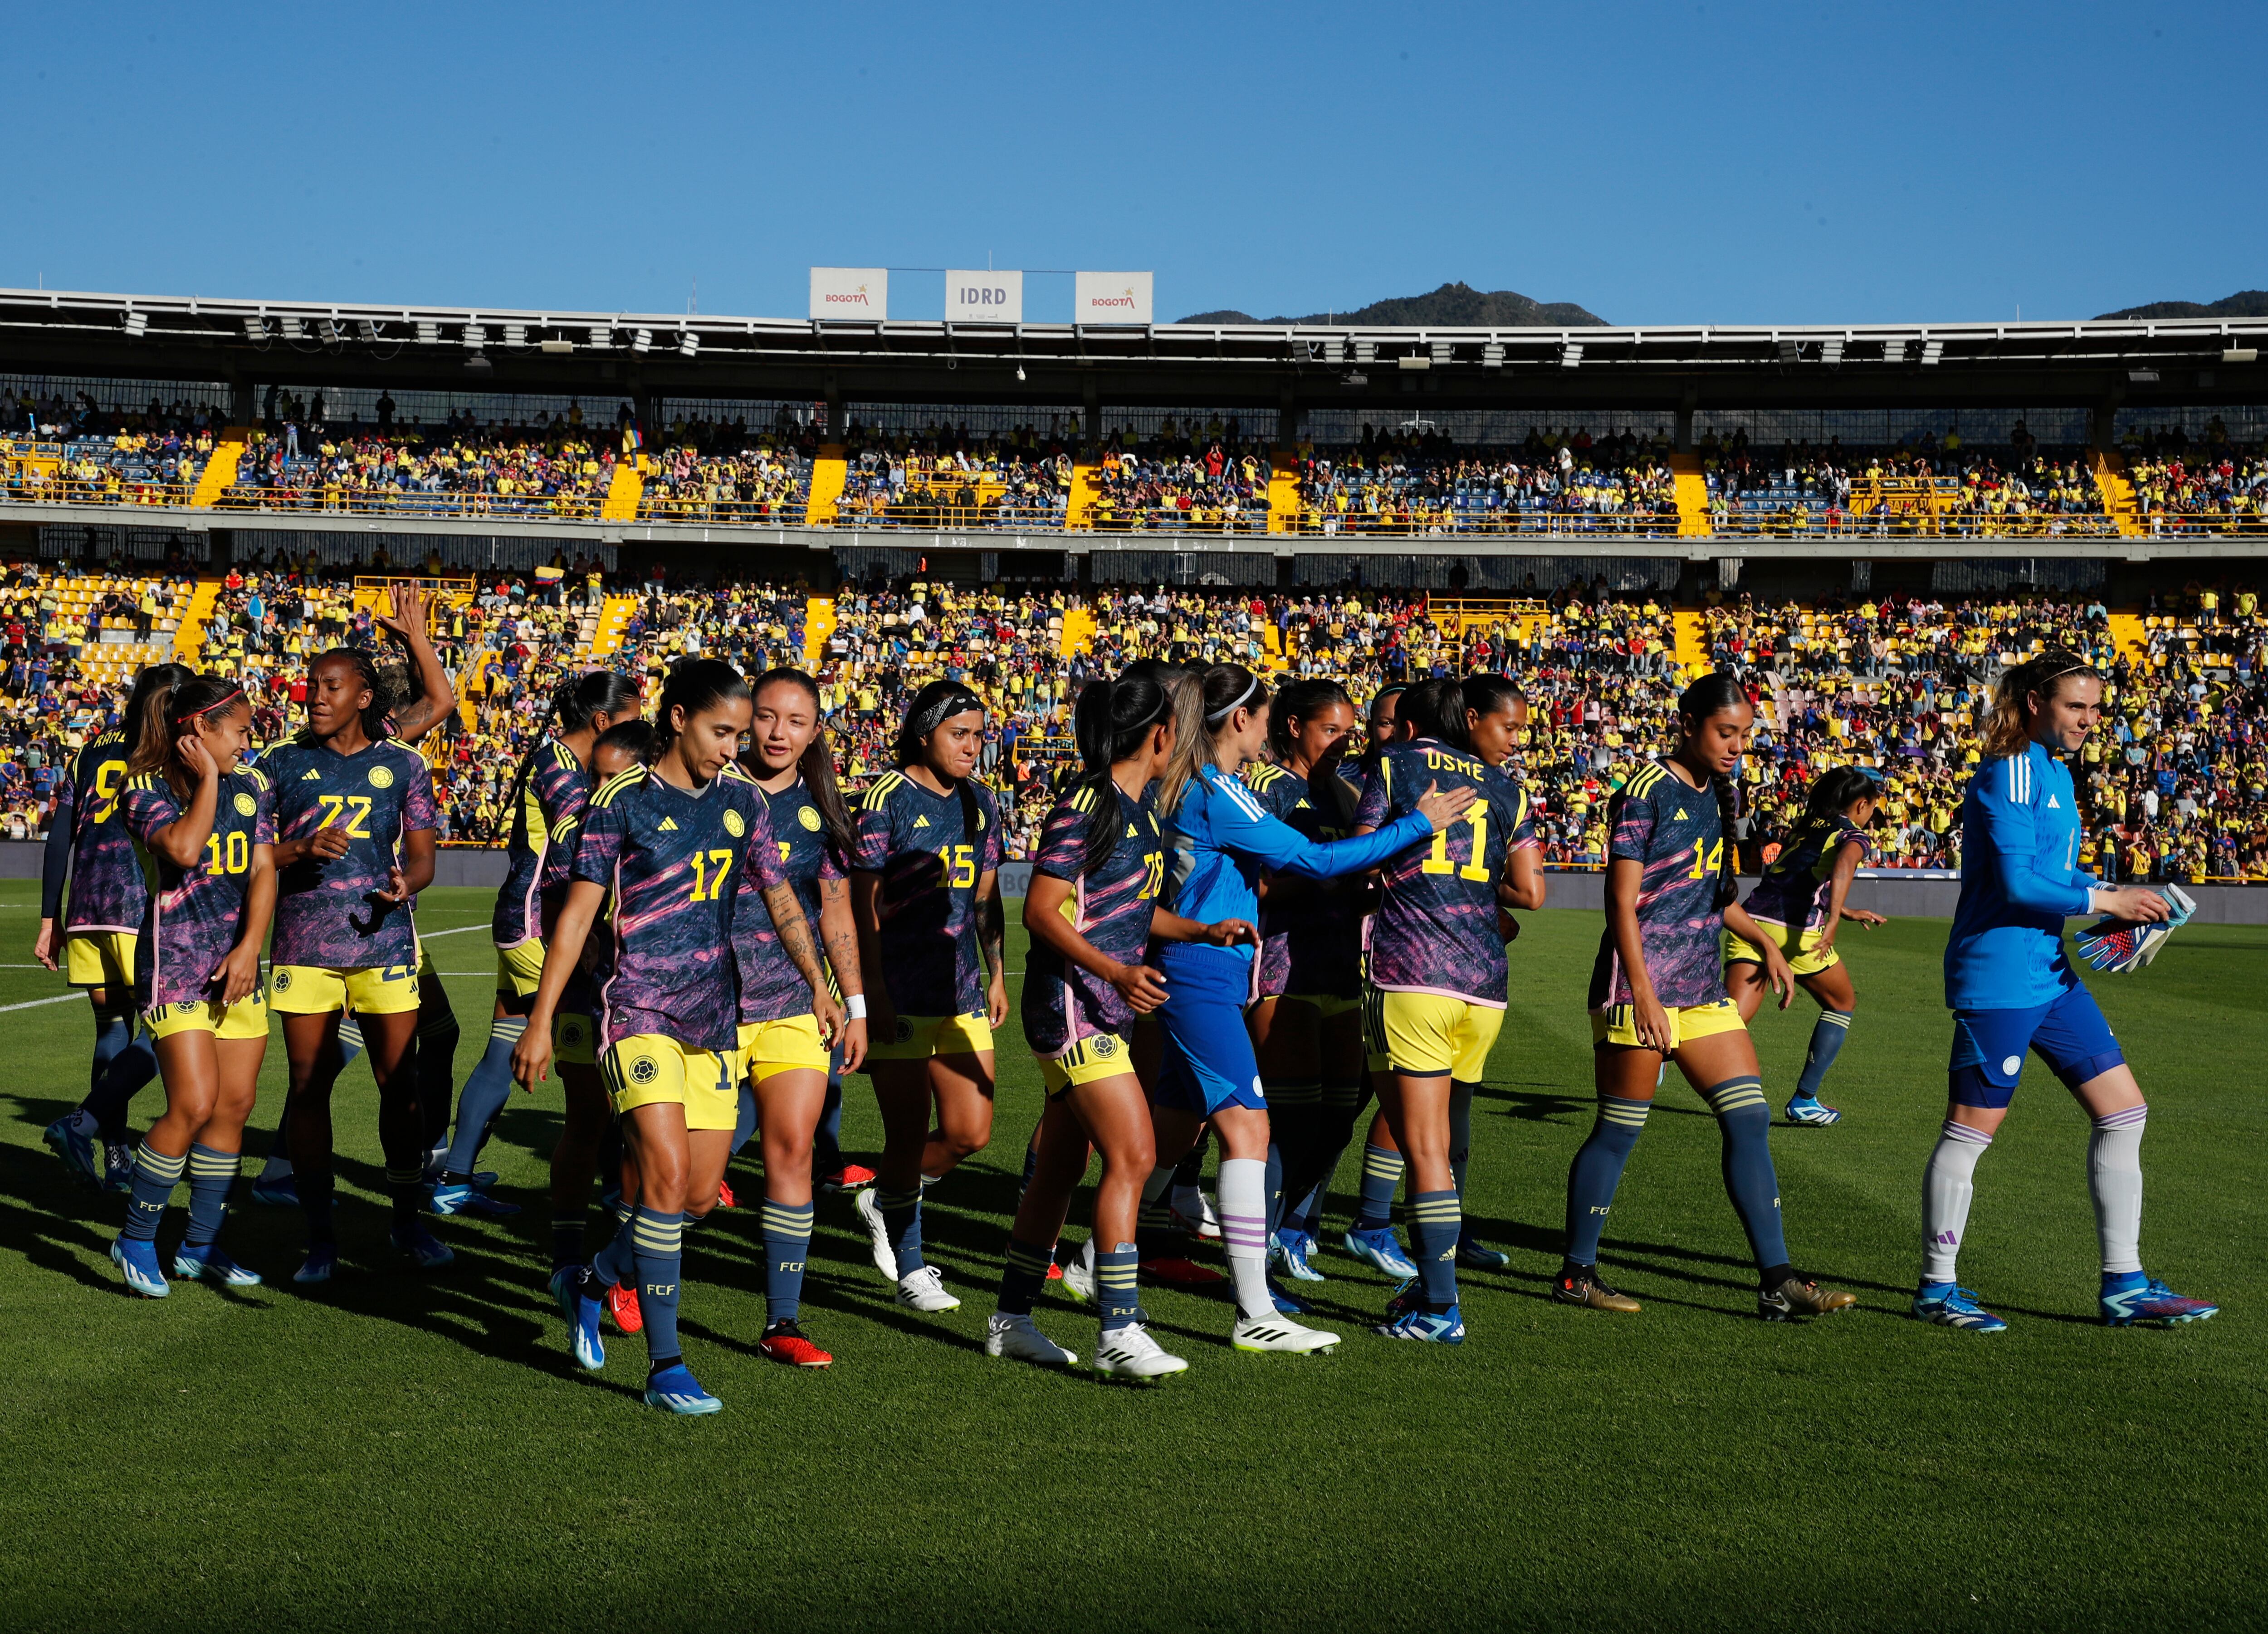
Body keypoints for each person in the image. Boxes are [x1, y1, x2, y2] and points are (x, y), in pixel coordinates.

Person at [515, 659, 843, 1415]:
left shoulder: (743, 805)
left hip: (716, 1022)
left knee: (695, 1197)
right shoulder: (620, 804)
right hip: (636, 1014)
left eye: (738, 733)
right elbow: (574, 919)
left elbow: (783, 899)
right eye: (721, 731)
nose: (734, 747)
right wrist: (540, 1020)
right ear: (679, 718)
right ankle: (668, 1368)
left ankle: (592, 1280)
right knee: (663, 1175)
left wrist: (820, 985)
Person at [1150, 662, 1473, 1354]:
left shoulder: (1213, 785)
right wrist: (1420, 822)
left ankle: (1100, 1262)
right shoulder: (1222, 789)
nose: (1269, 726)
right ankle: (1254, 1305)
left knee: (1171, 1137)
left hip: (1219, 968)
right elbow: (1313, 864)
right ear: (1243, 719)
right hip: (1213, 971)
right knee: (1251, 1131)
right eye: (1266, 715)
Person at [1916, 650, 2216, 1332]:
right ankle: (1937, 1288)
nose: (2089, 720)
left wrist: (2120, 908)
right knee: (1970, 1132)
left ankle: (2125, 1283)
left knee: (2124, 1112)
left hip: (2049, 973)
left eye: (2095, 708)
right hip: (1999, 977)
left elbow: (2050, 873)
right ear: (2034, 705)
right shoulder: (2012, 770)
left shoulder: (2052, 771)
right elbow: (2021, 884)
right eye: (2076, 706)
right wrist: (2110, 893)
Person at [1559, 672, 1856, 1322]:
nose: (1736, 746)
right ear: (1689, 721)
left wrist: (1768, 944)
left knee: (1748, 1116)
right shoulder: (1644, 791)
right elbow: (1621, 898)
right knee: (1618, 1131)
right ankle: (1578, 1271)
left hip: (1699, 987)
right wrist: (1642, 992)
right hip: (1639, 985)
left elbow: (1716, 895)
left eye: (1745, 735)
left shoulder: (1717, 792)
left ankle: (1776, 1280)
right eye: (1726, 732)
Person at [988, 663, 1252, 1378]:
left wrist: (1201, 931)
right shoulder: (1087, 803)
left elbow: (1129, 910)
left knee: (1063, 1168)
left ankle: (1011, 1317)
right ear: (1160, 735)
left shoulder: (1139, 811)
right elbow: (1040, 911)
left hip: (1098, 1003)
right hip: (1073, 1006)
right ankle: (1120, 1327)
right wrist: (1116, 973)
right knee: (1134, 1155)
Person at [1353, 675, 1546, 1342]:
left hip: (1411, 973)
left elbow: (1361, 857)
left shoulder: (1394, 764)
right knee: (1445, 1138)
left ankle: (1440, 1305)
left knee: (1423, 1146)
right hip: (1485, 983)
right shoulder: (1508, 786)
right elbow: (1530, 889)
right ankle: (1429, 1282)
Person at [260, 646, 448, 1285]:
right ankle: (319, 1238)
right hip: (303, 945)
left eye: (330, 686)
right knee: (308, 1088)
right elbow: (247, 857)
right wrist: (297, 848)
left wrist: (406, 884)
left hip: (384, 943)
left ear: (363, 697)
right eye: (311, 685)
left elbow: (423, 859)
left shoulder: (404, 765)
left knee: (400, 1087)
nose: (313, 696)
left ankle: (406, 1218)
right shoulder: (276, 764)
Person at [430, 670, 639, 1221]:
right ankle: (618, 1185)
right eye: (632, 722)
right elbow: (582, 847)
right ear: (601, 722)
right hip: (538, 925)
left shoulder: (560, 760)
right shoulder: (563, 770)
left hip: (526, 919)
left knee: (502, 1046)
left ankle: (455, 1179)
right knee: (598, 1049)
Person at [107, 675, 276, 1295]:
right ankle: (135, 1239)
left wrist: (250, 948)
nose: (248, 741)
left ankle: (200, 1245)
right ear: (200, 729)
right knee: (193, 1104)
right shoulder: (145, 788)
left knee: (233, 1107)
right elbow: (181, 848)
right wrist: (207, 779)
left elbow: (263, 871)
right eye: (239, 730)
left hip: (236, 966)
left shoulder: (255, 785)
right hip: (175, 965)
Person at [849, 680, 1010, 1314]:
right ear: (924, 733)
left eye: (978, 735)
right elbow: (864, 907)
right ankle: (912, 1267)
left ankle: (883, 1197)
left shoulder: (981, 801)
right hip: (902, 991)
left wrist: (995, 971)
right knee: (907, 1131)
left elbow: (986, 898)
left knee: (972, 1131)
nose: (973, 747)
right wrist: (874, 991)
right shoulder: (886, 797)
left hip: (962, 987)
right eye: (960, 734)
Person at [731, 668, 869, 1368]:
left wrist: (855, 1004)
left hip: (795, 1000)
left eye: (796, 720)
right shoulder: (712, 791)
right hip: (709, 1004)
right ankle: (614, 1271)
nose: (779, 732)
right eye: (766, 716)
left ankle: (781, 1322)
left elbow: (836, 910)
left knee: (792, 1152)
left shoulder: (823, 808)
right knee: (693, 1183)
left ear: (816, 730)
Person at [39, 663, 185, 1190]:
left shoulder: (91, 747)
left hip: (86, 906)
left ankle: (117, 1156)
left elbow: (60, 839)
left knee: (111, 1030)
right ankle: (89, 1124)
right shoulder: (169, 747)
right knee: (175, 1027)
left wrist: (49, 918)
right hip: (140, 904)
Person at [1241, 678, 1364, 1283]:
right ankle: (1254, 1250)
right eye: (1331, 730)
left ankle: (1285, 1231)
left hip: (1339, 962)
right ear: (1294, 727)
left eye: (1349, 731)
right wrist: (1330, 877)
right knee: (1290, 1122)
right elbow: (1258, 884)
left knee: (1339, 1117)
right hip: (1284, 963)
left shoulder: (1342, 793)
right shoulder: (1269, 787)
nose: (1344, 742)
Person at [1725, 765, 1887, 1125]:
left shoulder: (1808, 825)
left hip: (1751, 921)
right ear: (1861, 804)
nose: (1873, 813)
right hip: (1796, 932)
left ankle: (1659, 1058)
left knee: (1730, 1017)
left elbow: (1798, 879)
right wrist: (1831, 922)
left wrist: (1843, 910)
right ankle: (1804, 1100)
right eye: (1873, 806)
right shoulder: (1853, 836)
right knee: (1842, 1002)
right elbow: (1844, 866)